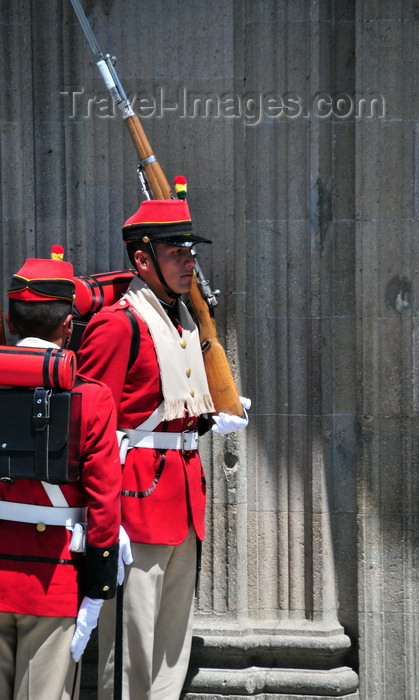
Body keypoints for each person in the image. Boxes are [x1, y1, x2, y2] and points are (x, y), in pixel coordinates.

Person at [77, 198, 250, 700]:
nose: (189, 261)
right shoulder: (120, 324)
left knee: (172, 646)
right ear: (142, 259)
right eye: (176, 251)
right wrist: (102, 519)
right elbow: (92, 427)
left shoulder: (185, 321)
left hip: (183, 497)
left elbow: (175, 399)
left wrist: (214, 412)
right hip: (136, 501)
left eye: (191, 251)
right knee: (130, 645)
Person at [0, 253, 125, 700]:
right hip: (51, 583)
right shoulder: (91, 397)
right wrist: (98, 588)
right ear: (68, 326)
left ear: (10, 323)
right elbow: (105, 504)